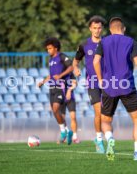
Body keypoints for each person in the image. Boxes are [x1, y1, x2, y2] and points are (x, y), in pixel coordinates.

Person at [93, 17, 137, 161]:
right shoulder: (131, 42)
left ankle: (110, 138)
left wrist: (100, 80)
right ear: (124, 28)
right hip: (127, 86)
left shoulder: (103, 42)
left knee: (105, 120)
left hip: (109, 86)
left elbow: (95, 61)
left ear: (110, 30)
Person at [73, 15, 106, 153]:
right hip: (92, 83)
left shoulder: (108, 43)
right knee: (98, 112)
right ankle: (99, 139)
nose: (97, 31)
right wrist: (76, 68)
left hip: (108, 82)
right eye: (94, 28)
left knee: (106, 114)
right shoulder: (84, 45)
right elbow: (76, 61)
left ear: (102, 29)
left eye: (99, 28)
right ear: (90, 29)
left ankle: (106, 136)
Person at [38, 37, 74, 145]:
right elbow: (51, 75)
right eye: (47, 49)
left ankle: (63, 132)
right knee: (54, 111)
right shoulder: (51, 60)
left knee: (55, 108)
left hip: (61, 87)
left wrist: (61, 75)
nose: (48, 50)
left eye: (50, 48)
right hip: (52, 88)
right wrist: (43, 82)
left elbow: (71, 67)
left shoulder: (62, 56)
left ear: (56, 48)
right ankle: (67, 131)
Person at [59, 74, 80, 144]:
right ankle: (66, 134)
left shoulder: (70, 73)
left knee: (73, 117)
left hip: (70, 98)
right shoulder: (57, 72)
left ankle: (75, 137)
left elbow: (75, 83)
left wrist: (69, 90)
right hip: (60, 98)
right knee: (62, 119)